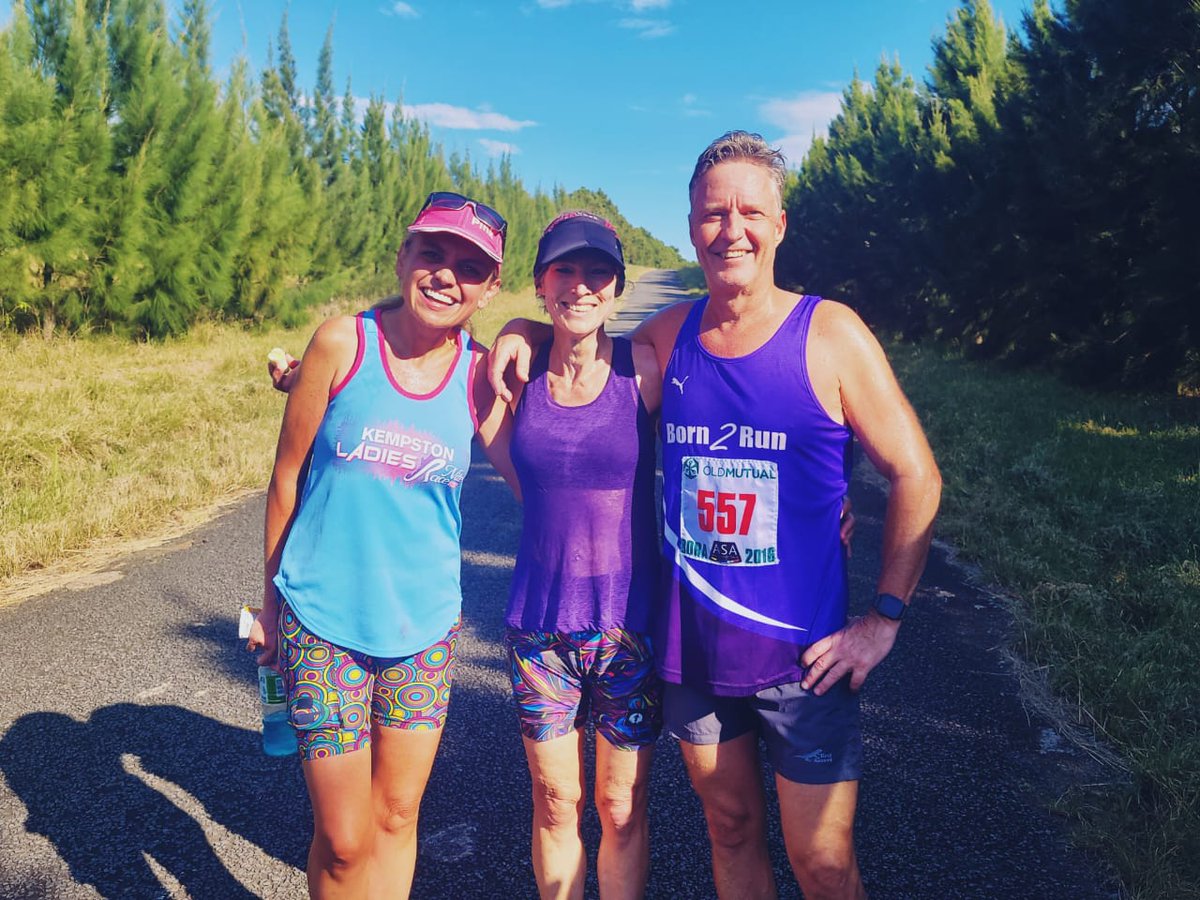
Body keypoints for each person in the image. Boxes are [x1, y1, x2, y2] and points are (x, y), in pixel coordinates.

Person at [490, 131, 942, 900]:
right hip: (696, 657)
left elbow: (917, 476)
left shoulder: (830, 333)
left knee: (823, 863)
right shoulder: (672, 337)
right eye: (713, 214)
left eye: (750, 212)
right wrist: (518, 329)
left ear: (780, 224)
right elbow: (583, 339)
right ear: (693, 227)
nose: (732, 230)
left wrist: (884, 619)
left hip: (806, 658)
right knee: (729, 831)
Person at [247, 191, 518, 899]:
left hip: (422, 630)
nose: (446, 275)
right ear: (403, 257)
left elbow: (542, 484)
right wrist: (270, 606)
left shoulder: (479, 376)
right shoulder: (343, 343)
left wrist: (528, 332)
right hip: (321, 623)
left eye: (470, 267)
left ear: (490, 287)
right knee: (344, 841)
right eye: (432, 253)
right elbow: (285, 479)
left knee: (396, 817)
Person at [504, 212, 662, 900]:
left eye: (598, 272)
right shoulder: (513, 378)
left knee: (620, 806)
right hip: (539, 633)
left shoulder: (643, 369)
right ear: (540, 283)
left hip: (631, 630)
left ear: (618, 287)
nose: (580, 285)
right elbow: (423, 369)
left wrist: (821, 491)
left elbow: (735, 365)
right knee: (556, 802)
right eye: (563, 270)